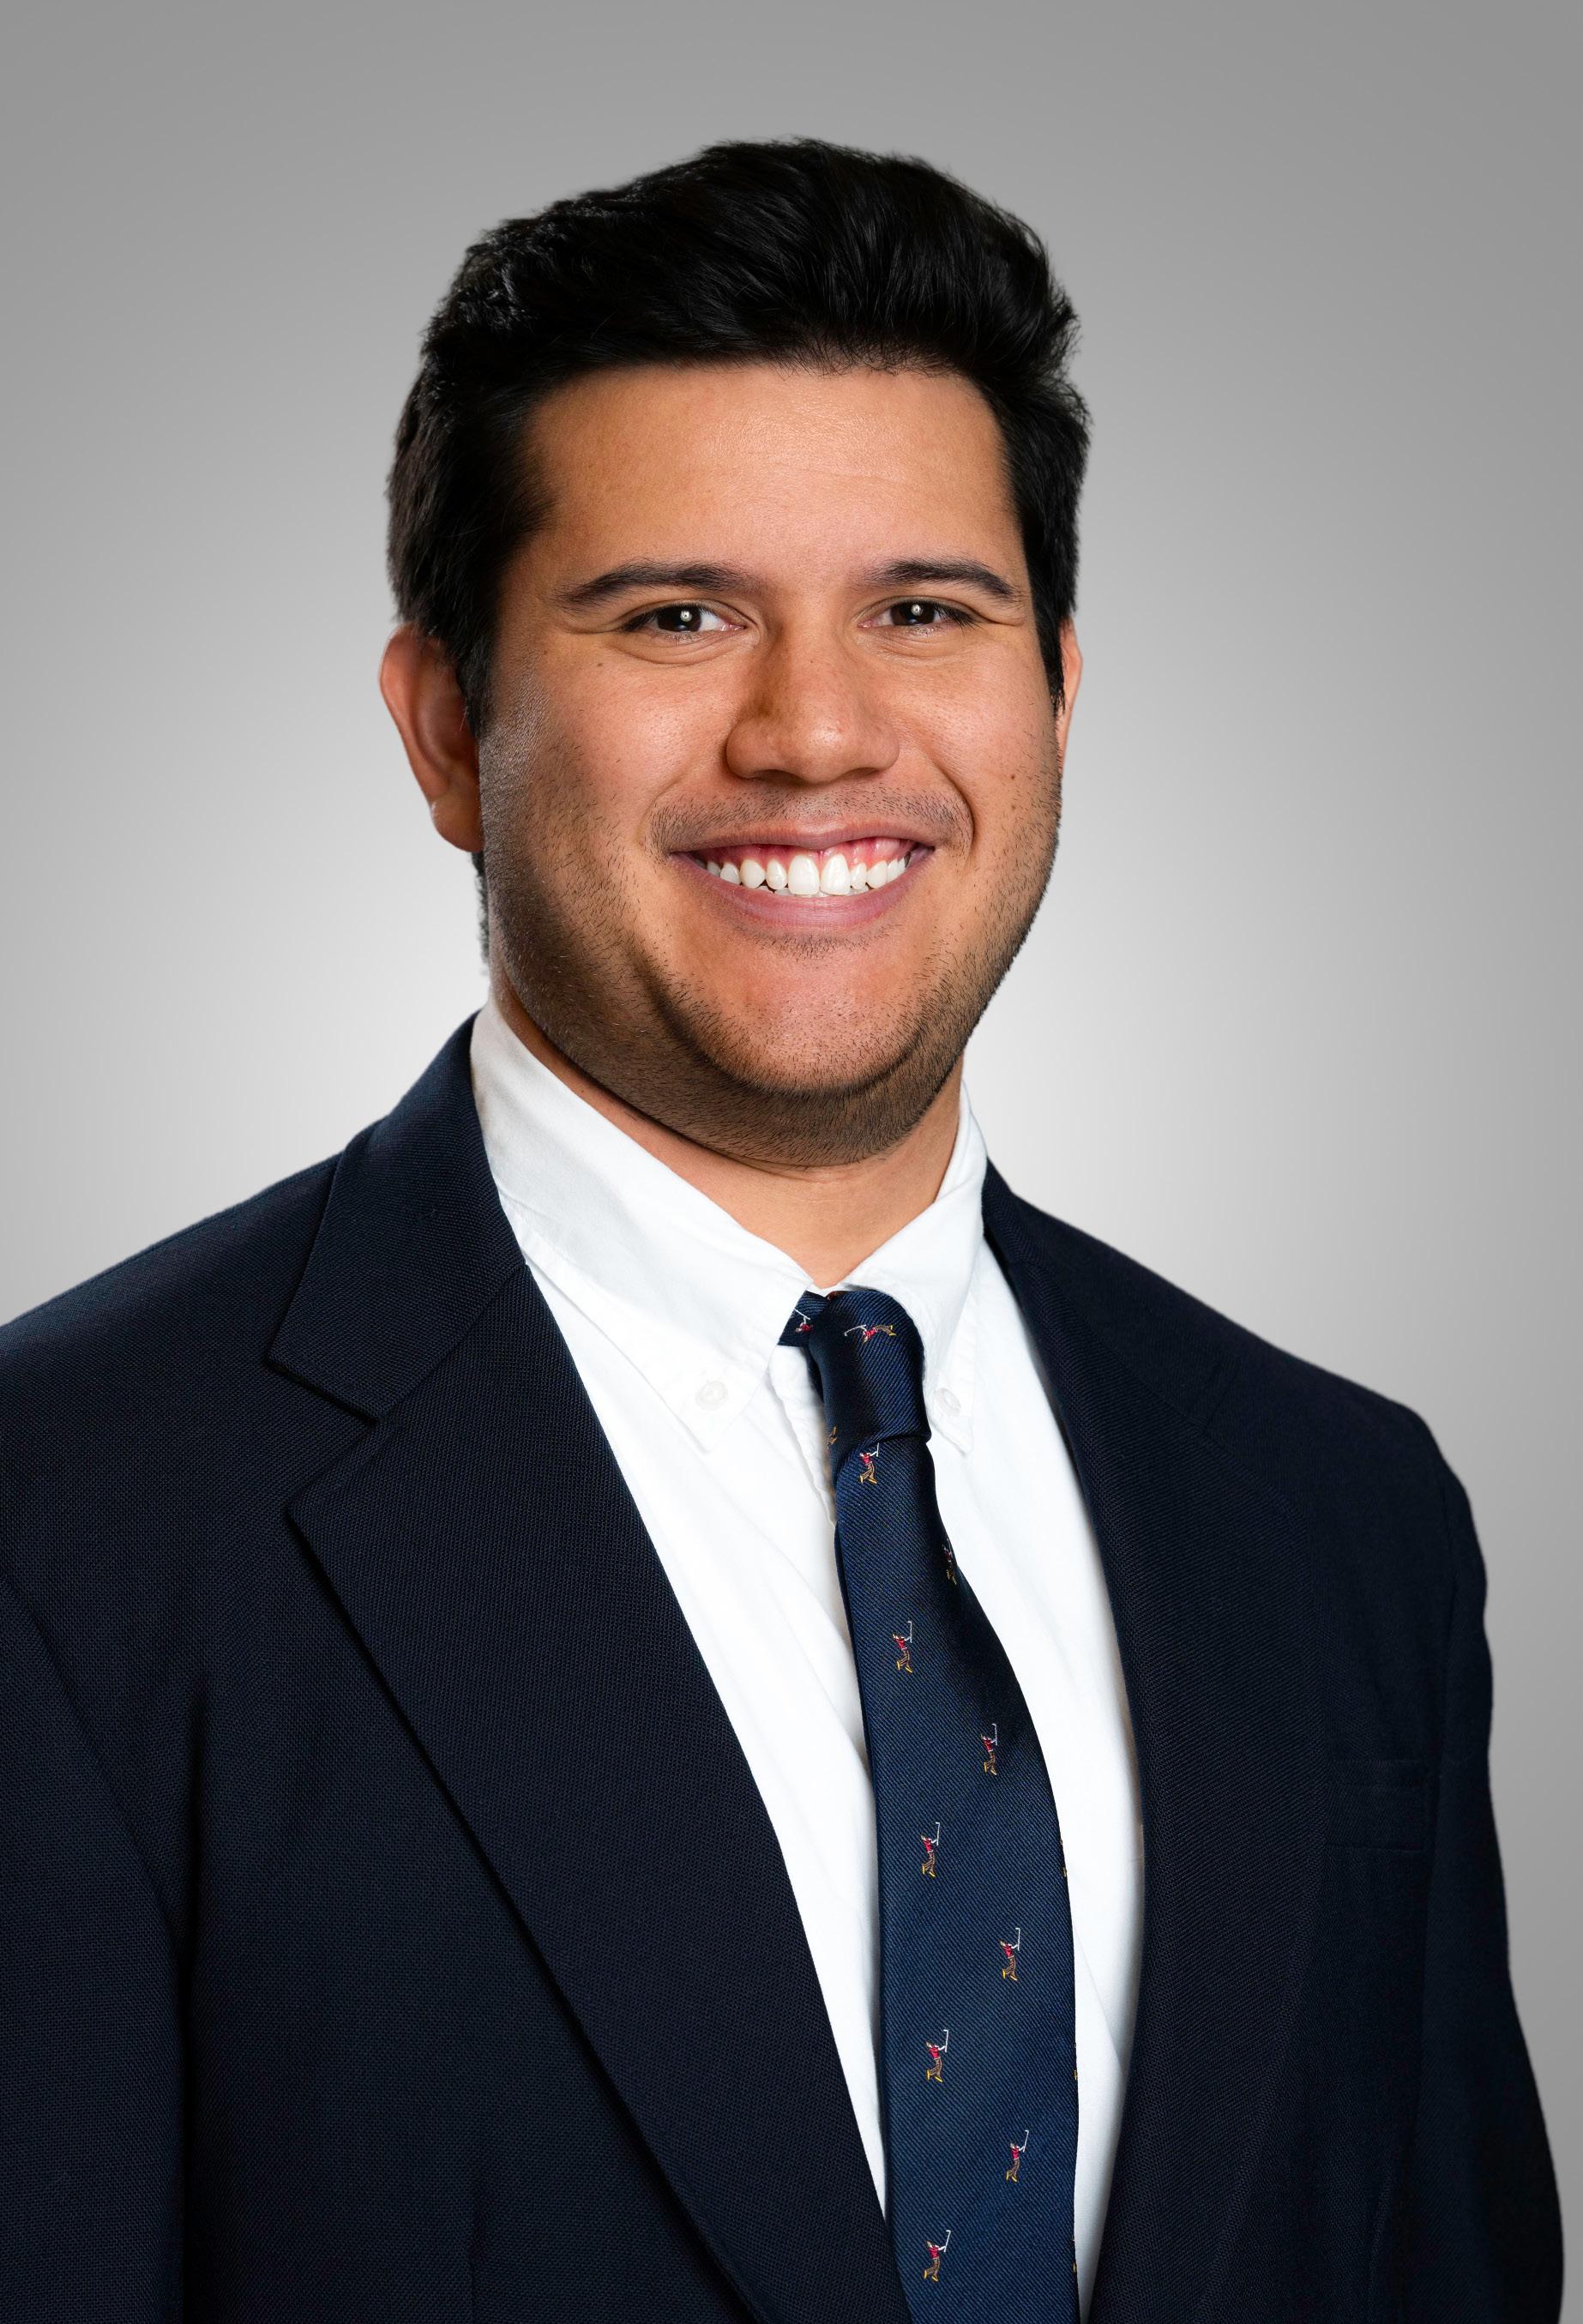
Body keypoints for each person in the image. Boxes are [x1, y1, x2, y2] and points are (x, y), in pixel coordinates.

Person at [0, 137, 1561, 2324]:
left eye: (924, 611)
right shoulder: (70, 1513)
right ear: (444, 728)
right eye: (676, 615)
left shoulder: (1339, 1516)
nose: (816, 732)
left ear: (1055, 693)